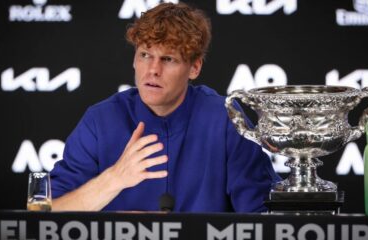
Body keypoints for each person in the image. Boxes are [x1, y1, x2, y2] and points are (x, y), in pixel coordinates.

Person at [50, 2, 280, 212]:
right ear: (134, 59)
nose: (153, 70)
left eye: (168, 59)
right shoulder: (100, 121)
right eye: (145, 55)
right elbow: (48, 214)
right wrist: (113, 179)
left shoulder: (224, 120)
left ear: (194, 68)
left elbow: (262, 220)